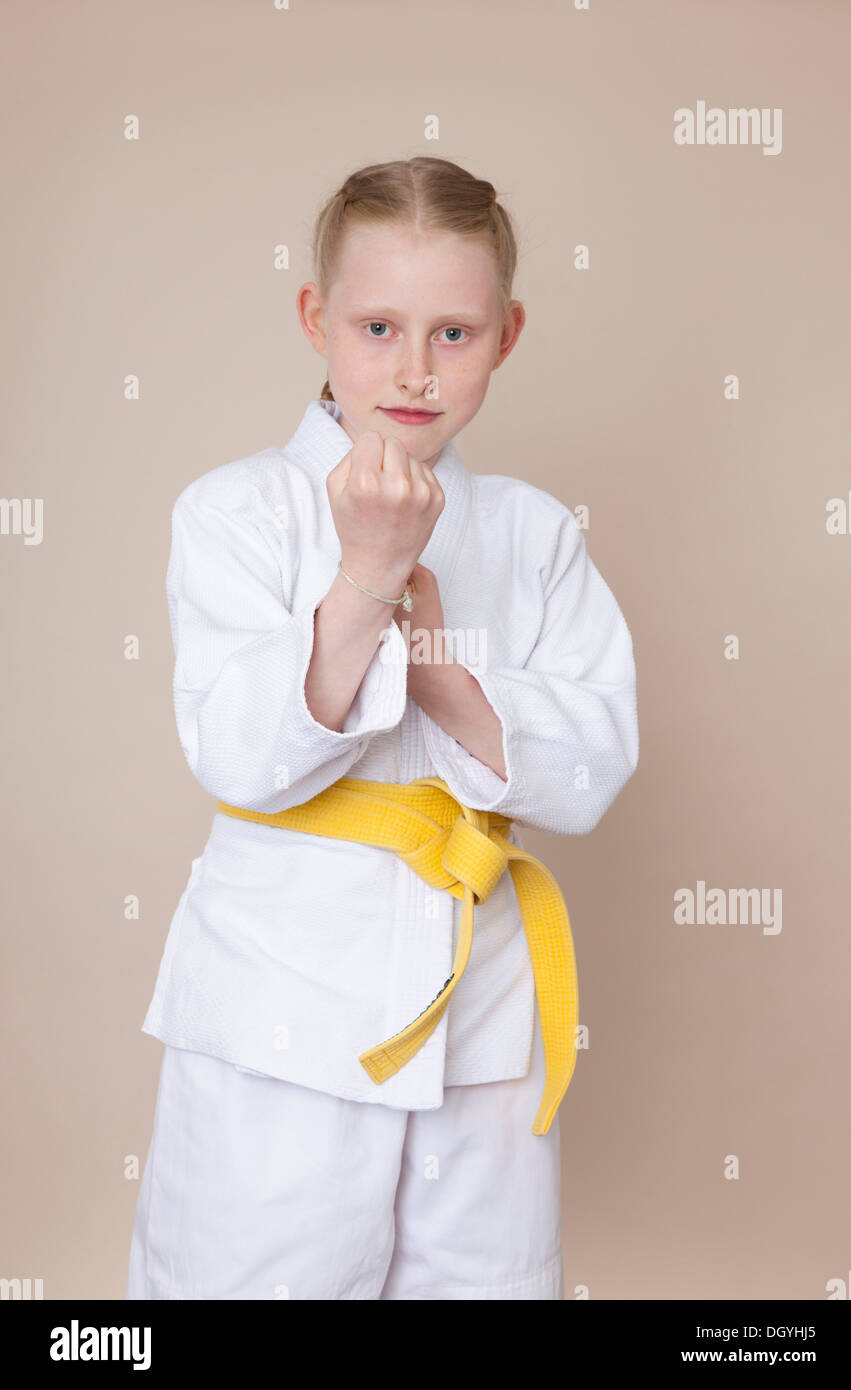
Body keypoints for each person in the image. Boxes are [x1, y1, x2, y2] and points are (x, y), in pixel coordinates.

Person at [124, 155, 639, 1301]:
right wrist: (365, 579)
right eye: (377, 326)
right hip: (278, 997)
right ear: (316, 320)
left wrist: (440, 657)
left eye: (454, 333)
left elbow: (592, 769)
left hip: (480, 998)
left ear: (507, 334)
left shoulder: (534, 531)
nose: (414, 369)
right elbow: (237, 756)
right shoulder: (236, 511)